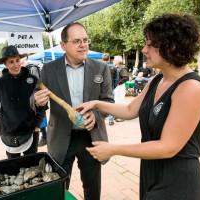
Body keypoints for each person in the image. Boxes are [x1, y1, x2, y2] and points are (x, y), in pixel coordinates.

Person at [76, 13, 200, 200]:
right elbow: (130, 110)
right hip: (151, 172)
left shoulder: (190, 87)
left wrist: (113, 149)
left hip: (178, 181)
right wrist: (96, 104)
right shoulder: (158, 79)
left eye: (150, 45)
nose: (144, 50)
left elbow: (168, 147)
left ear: (171, 46)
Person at [30, 22, 114, 200]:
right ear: (63, 45)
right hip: (61, 137)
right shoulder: (49, 69)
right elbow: (37, 96)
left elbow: (108, 101)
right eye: (77, 41)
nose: (83, 45)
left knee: (92, 188)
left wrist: (96, 114)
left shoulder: (101, 68)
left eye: (85, 40)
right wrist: (37, 101)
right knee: (59, 187)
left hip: (91, 137)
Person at [0, 45, 44, 159]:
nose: (16, 64)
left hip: (30, 129)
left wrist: (38, 125)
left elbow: (42, 104)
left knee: (31, 163)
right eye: (11, 62)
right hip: (9, 131)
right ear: (5, 64)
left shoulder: (32, 80)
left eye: (17, 60)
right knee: (13, 165)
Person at [21, 55, 47, 146]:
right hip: (29, 100)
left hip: (37, 100)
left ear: (25, 58)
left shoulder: (32, 67)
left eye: (20, 58)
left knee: (40, 118)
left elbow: (37, 85)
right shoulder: (22, 69)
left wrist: (36, 98)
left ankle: (44, 137)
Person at [101, 53, 118, 126]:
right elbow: (116, 79)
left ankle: (101, 119)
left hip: (100, 88)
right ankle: (111, 120)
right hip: (110, 88)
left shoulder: (99, 66)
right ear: (109, 59)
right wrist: (113, 87)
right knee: (111, 104)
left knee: (100, 104)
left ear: (102, 59)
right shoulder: (113, 67)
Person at [113, 55, 129, 122]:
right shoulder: (116, 67)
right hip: (117, 86)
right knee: (116, 101)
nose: (113, 61)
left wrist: (118, 83)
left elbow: (126, 77)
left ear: (118, 61)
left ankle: (122, 116)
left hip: (120, 86)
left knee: (120, 101)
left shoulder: (122, 68)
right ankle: (117, 115)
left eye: (114, 60)